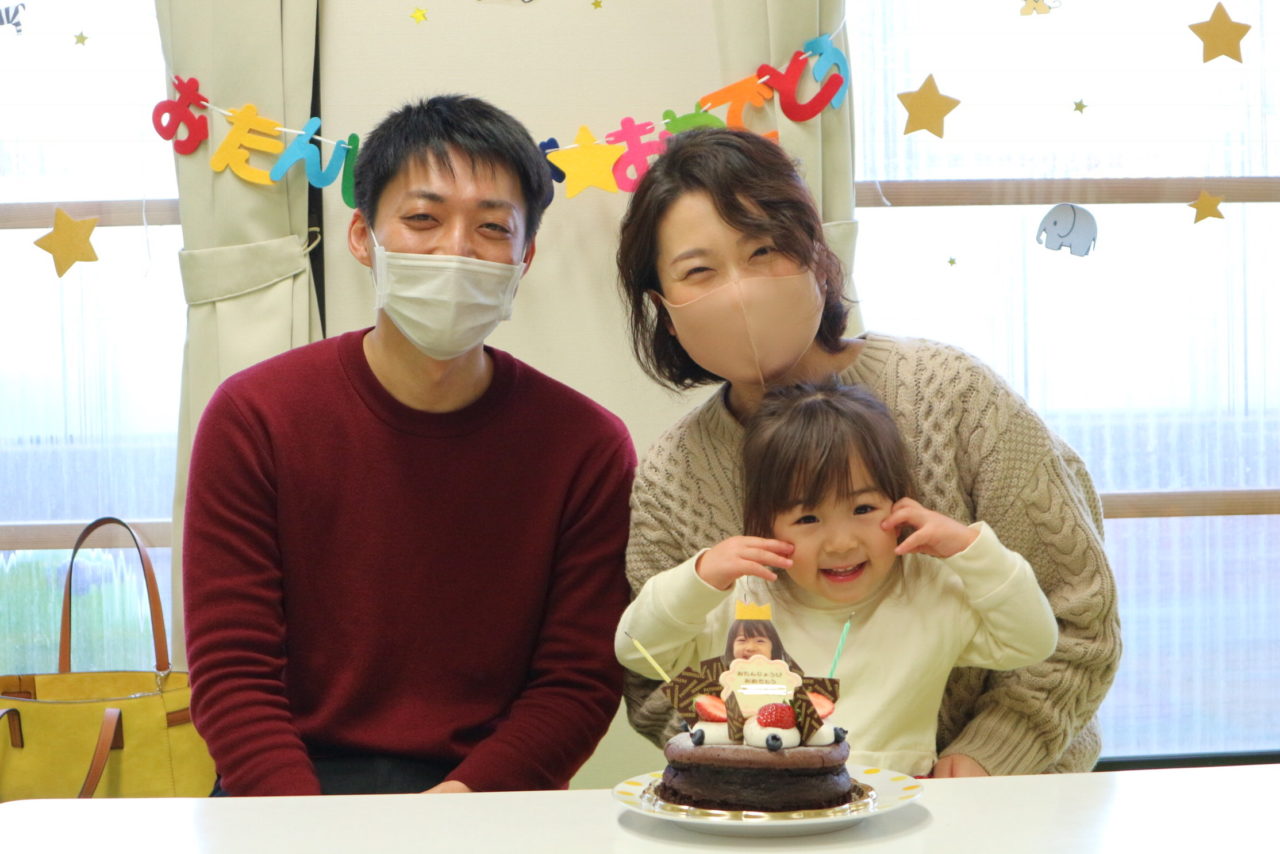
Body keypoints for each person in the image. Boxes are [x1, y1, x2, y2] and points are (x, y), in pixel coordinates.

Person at [615, 126, 1120, 777]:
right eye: (699, 271)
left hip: (998, 797)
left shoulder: (952, 394)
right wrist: (775, 770)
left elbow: (1077, 617)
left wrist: (987, 756)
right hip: (782, 808)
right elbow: (653, 677)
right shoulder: (671, 478)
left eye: (763, 249)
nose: (739, 290)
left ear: (816, 255)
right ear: (662, 307)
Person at [183, 95, 636, 796]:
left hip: (487, 798)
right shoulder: (256, 417)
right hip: (289, 794)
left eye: (492, 227)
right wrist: (311, 832)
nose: (455, 248)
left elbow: (576, 684)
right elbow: (232, 673)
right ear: (362, 236)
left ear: (525, 257)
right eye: (423, 219)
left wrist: (445, 817)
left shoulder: (586, 447)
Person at [616, 380, 1058, 776]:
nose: (841, 543)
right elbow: (635, 649)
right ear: (764, 524)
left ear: (901, 503)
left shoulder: (930, 589)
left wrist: (971, 550)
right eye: (808, 518)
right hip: (759, 810)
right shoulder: (742, 596)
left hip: (893, 814)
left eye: (863, 508)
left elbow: (1032, 641)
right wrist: (699, 578)